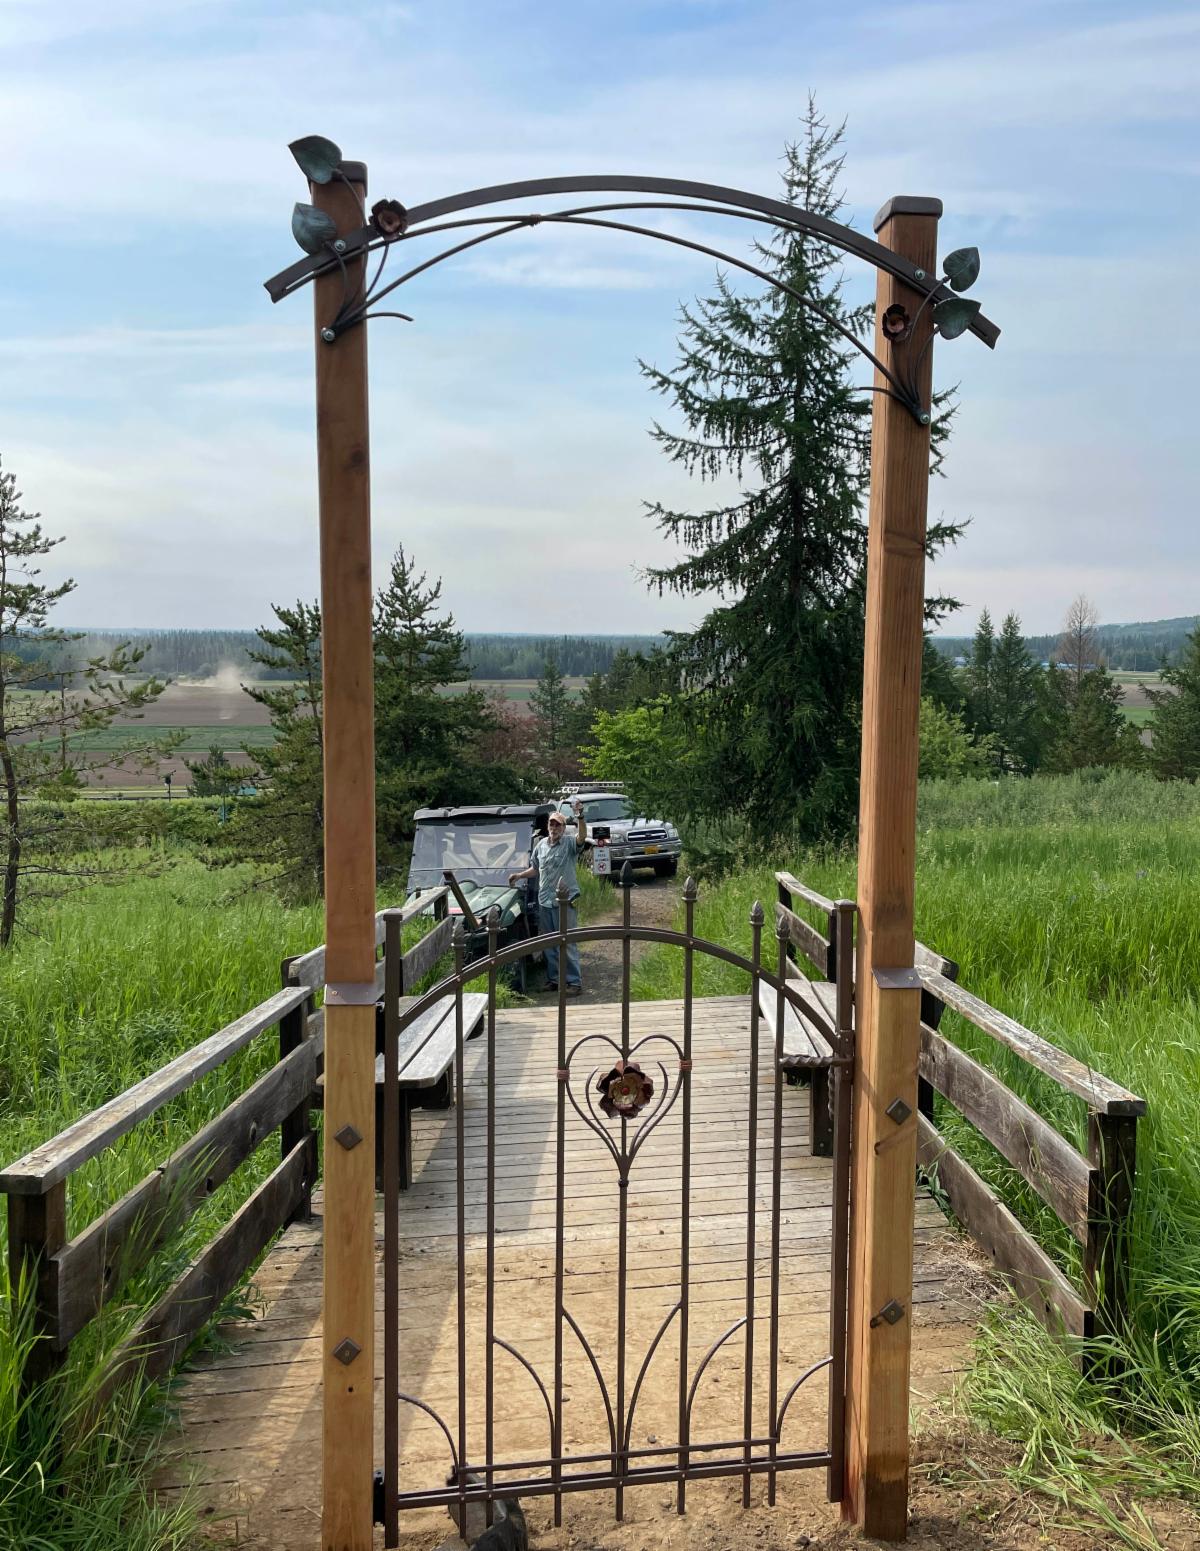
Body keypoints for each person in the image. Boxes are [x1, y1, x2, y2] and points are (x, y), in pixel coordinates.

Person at [509, 801, 586, 994]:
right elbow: (535, 869)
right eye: (552, 824)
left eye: (558, 824)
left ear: (563, 827)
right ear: (547, 826)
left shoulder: (569, 843)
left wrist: (580, 816)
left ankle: (574, 982)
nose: (554, 828)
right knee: (549, 943)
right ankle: (554, 980)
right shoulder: (541, 846)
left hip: (564, 902)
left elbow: (582, 837)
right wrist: (519, 876)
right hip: (545, 901)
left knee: (566, 941)